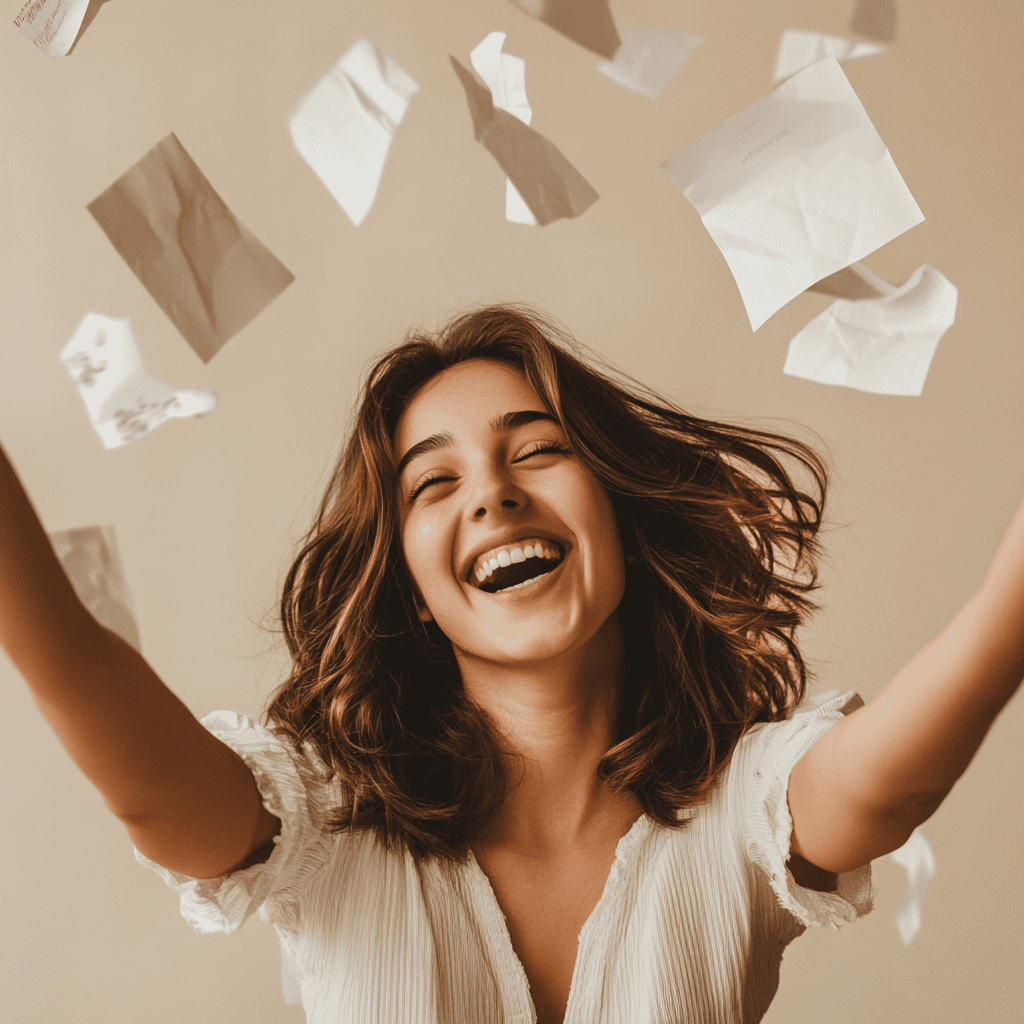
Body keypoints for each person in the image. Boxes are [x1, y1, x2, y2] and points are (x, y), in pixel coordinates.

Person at [2, 304, 1021, 1024]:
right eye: (433, 482)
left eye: (535, 451)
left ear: (620, 509)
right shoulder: (323, 815)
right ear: (407, 581)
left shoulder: (742, 806)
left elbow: (885, 784)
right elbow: (146, 790)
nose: (491, 494)